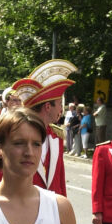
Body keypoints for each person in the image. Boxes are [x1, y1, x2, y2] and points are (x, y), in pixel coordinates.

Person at [7, 58, 77, 195]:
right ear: (47, 107)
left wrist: (62, 210)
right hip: (21, 209)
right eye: (59, 105)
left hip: (51, 210)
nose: (61, 110)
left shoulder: (57, 136)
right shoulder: (12, 134)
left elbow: (60, 180)